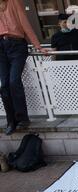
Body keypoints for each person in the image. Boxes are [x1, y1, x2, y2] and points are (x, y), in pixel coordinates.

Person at [0, 0, 48, 135]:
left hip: (16, 45)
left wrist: (38, 46)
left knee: (13, 81)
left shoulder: (14, 2)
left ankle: (22, 118)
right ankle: (11, 121)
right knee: (4, 86)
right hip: (1, 48)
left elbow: (24, 24)